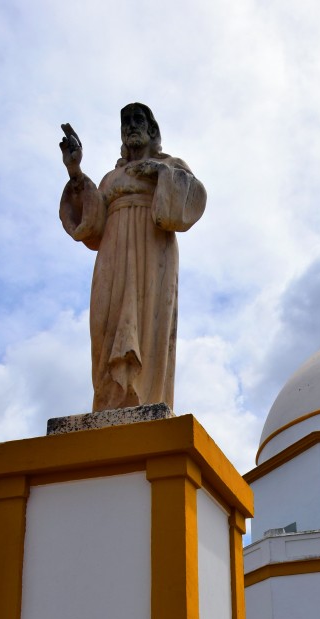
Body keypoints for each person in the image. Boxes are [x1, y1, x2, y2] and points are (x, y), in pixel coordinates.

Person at [59, 103, 206, 411]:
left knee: (149, 318)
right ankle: (109, 399)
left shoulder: (171, 165)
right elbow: (91, 226)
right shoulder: (111, 178)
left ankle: (147, 398)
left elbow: (191, 200)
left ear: (152, 130)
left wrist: (160, 173)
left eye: (138, 120)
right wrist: (75, 171)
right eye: (125, 122)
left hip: (152, 250)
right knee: (105, 322)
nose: (131, 126)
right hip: (112, 252)